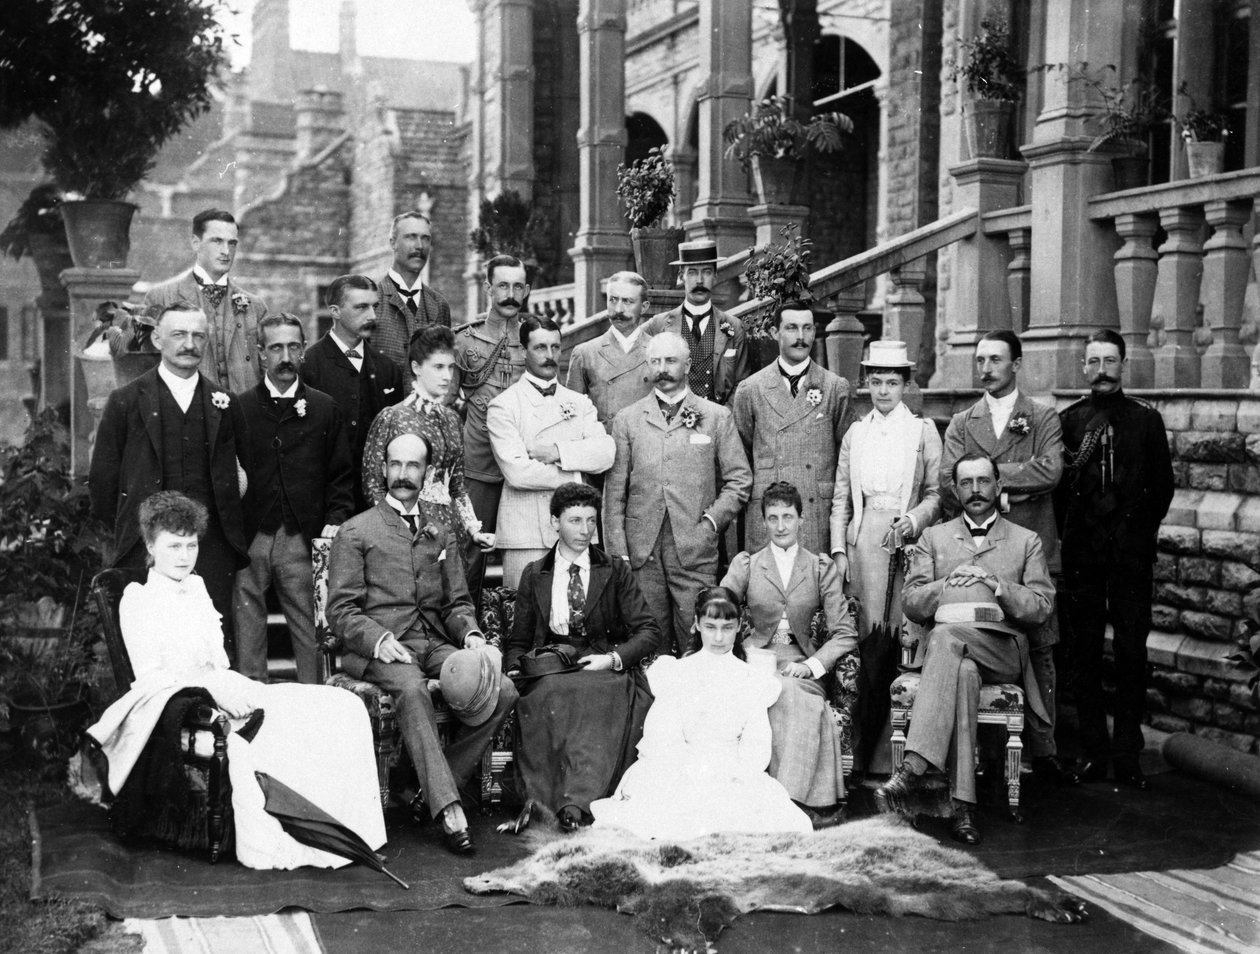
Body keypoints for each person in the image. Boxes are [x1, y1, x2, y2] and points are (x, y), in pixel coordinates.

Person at [86, 492, 386, 871]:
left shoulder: (196, 588)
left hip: (228, 686)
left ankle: (354, 831)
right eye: (173, 545)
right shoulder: (138, 599)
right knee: (282, 726)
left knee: (342, 706)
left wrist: (223, 685)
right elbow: (152, 677)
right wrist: (213, 691)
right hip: (188, 701)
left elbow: (219, 661)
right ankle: (301, 836)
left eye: (191, 544)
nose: (184, 555)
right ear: (150, 546)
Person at [326, 433, 518, 854]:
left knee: (501, 688)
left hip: (434, 642)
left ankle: (428, 789)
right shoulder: (356, 531)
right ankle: (449, 810)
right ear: (383, 469)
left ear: (427, 473)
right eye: (395, 465)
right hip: (381, 648)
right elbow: (340, 611)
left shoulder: (441, 529)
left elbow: (457, 602)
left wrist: (470, 635)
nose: (402, 474)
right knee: (412, 690)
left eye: (413, 466)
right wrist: (379, 639)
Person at [874, 453, 1054, 846]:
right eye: (967, 482)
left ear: (998, 486)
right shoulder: (933, 538)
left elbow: (1041, 607)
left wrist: (999, 586)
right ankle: (963, 807)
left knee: (945, 638)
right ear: (955, 490)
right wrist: (946, 583)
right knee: (962, 672)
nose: (976, 490)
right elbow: (913, 603)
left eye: (984, 481)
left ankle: (914, 767)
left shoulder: (1025, 541)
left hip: (1001, 650)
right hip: (955, 658)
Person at [939, 330, 1072, 785]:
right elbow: (947, 479)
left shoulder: (1041, 417)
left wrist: (990, 478)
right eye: (980, 360)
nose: (986, 368)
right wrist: (1008, 482)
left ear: (1016, 363)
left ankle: (1043, 751)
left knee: (1040, 651)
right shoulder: (962, 421)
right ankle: (986, 755)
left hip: (1030, 547)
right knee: (982, 642)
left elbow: (1051, 469)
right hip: (976, 553)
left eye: (996, 359)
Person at [590, 587, 812, 841]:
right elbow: (663, 736)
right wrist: (691, 774)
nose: (718, 637)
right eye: (710, 627)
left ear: (739, 626)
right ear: (696, 624)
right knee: (666, 816)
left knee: (765, 820)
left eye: (727, 628)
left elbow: (756, 745)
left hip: (733, 774)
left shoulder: (752, 679)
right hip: (680, 769)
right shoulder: (675, 673)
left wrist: (733, 776)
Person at [504, 483, 662, 831]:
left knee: (598, 696)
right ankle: (545, 803)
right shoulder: (535, 574)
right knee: (548, 695)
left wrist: (613, 659)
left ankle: (578, 804)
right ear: (554, 523)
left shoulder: (614, 570)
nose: (584, 530)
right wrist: (519, 670)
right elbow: (517, 641)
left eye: (591, 521)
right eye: (574, 520)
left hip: (603, 665)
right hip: (553, 667)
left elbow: (649, 631)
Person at [89, 305, 249, 647]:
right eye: (179, 334)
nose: (189, 343)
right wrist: (137, 532)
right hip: (143, 550)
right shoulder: (125, 402)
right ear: (157, 338)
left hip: (211, 552)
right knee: (150, 647)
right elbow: (103, 485)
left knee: (211, 646)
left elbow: (245, 474)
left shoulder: (226, 404)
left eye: (198, 336)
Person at [1056, 329, 1174, 790]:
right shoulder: (1069, 421)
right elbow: (1062, 495)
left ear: (1124, 364)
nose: (1101, 369)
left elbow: (1162, 488)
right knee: (1084, 653)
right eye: (1093, 361)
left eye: (1110, 360)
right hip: (1084, 557)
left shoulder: (1146, 420)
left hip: (1130, 558)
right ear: (1084, 368)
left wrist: (1133, 533)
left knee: (1130, 653)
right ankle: (1092, 752)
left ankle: (1128, 754)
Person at [604, 332, 752, 655]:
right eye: (655, 361)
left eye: (670, 361)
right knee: (648, 644)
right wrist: (620, 553)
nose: (662, 368)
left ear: (687, 365)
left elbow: (740, 480)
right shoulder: (628, 420)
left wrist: (711, 523)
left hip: (694, 548)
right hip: (642, 551)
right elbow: (614, 493)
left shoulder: (715, 417)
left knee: (696, 642)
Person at [832, 340, 942, 772]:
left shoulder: (921, 431)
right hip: (864, 548)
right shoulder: (856, 433)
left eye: (891, 382)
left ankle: (892, 757)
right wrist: (840, 551)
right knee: (863, 643)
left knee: (900, 642)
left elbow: (936, 493)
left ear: (905, 385)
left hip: (906, 545)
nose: (883, 391)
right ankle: (857, 754)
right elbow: (842, 497)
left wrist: (913, 521)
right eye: (875, 382)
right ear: (866, 384)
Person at [720, 482, 858, 825]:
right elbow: (717, 609)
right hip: (754, 664)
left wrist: (811, 667)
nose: (781, 526)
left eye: (787, 517)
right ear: (763, 522)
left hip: (798, 665)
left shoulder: (819, 567)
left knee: (791, 694)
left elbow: (845, 632)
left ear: (801, 520)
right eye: (772, 518)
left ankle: (792, 801)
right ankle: (756, 803)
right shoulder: (748, 564)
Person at [232, 313, 354, 684]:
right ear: (260, 353)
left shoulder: (323, 408)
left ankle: (313, 706)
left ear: (303, 351)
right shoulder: (240, 409)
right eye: (276, 348)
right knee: (247, 623)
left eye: (294, 347)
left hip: (301, 536)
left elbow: (341, 476)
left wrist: (334, 521)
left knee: (309, 627)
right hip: (252, 536)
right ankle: (252, 706)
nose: (285, 356)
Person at [487, 317, 615, 586]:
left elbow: (605, 453)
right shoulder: (504, 405)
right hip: (526, 533)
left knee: (575, 615)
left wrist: (557, 451)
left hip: (577, 530)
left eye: (555, 348)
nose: (550, 356)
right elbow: (518, 473)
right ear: (523, 352)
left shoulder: (578, 402)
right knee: (523, 617)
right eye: (540, 348)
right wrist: (578, 476)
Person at [360, 325, 494, 576]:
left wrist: (473, 531)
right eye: (438, 367)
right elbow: (372, 485)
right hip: (408, 535)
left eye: (450, 367)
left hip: (451, 533)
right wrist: (396, 532)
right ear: (416, 368)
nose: (446, 376)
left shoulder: (453, 419)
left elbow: (457, 486)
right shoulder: (392, 417)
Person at [732, 300, 853, 555]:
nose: (801, 337)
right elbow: (738, 457)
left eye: (807, 328)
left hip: (814, 511)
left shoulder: (834, 387)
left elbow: (847, 455)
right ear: (775, 333)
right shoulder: (751, 389)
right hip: (769, 511)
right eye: (791, 328)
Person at [452, 254, 530, 611]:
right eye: (503, 285)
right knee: (469, 554)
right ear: (488, 289)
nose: (510, 294)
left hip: (522, 467)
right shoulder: (464, 342)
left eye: (517, 286)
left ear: (526, 290)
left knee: (527, 555)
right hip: (478, 463)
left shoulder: (535, 339)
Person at [302, 275, 405, 513]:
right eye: (361, 307)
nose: (372, 316)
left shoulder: (387, 369)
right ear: (335, 311)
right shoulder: (309, 366)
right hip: (323, 502)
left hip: (376, 503)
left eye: (374, 307)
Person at [140, 209, 269, 393]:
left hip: (243, 415)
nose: (226, 251)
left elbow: (268, 372)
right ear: (195, 243)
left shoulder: (256, 306)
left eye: (232, 243)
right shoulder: (160, 298)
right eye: (217, 241)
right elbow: (147, 371)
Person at [642, 240, 749, 404]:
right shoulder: (658, 325)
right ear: (681, 276)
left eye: (706, 272)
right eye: (692, 272)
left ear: (715, 276)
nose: (699, 280)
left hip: (717, 422)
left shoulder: (734, 327)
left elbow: (741, 387)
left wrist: (721, 420)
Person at [565, 271, 654, 425]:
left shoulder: (658, 351)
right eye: (613, 300)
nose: (618, 309)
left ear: (644, 307)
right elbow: (571, 415)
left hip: (644, 445)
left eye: (627, 301)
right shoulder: (585, 353)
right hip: (603, 445)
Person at [373, 211, 453, 375]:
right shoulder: (373, 300)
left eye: (426, 239)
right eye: (411, 237)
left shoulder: (439, 305)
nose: (420, 246)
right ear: (393, 243)